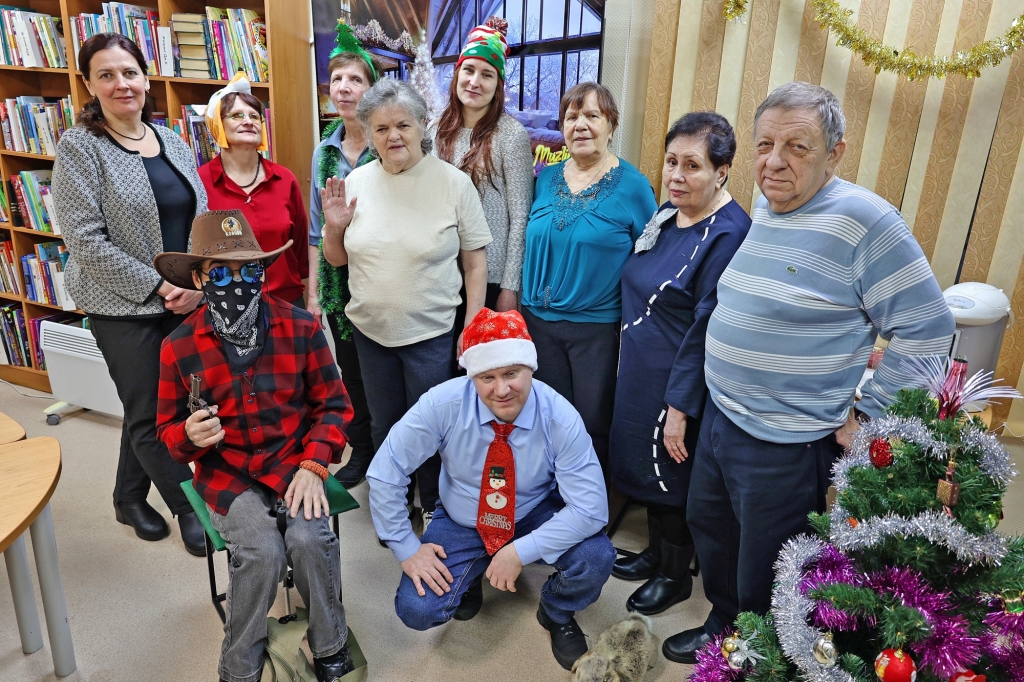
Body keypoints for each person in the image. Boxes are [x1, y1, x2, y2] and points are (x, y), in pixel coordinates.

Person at [664, 81, 956, 663]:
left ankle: (759, 657)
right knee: (713, 531)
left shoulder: (865, 221)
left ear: (834, 153)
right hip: (723, 419)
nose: (774, 161)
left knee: (766, 564)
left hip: (786, 441)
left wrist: (869, 416)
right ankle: (724, 628)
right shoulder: (769, 208)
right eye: (764, 144)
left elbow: (929, 328)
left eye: (797, 147)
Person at [153, 210, 357, 682]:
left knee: (310, 540)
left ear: (264, 273)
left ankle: (330, 644)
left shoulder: (301, 327)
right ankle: (239, 665)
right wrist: (187, 435)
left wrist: (314, 464)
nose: (238, 283)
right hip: (228, 473)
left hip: (293, 462)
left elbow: (334, 406)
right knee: (262, 553)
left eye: (250, 271)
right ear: (199, 279)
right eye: (221, 274)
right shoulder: (178, 347)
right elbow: (165, 431)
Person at [367, 308, 615, 671]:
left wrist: (518, 552)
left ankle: (557, 611)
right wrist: (406, 546)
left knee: (597, 556)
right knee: (417, 609)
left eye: (512, 373)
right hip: (463, 517)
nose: (502, 390)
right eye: (487, 377)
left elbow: (591, 509)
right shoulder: (442, 403)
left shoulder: (560, 418)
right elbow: (386, 471)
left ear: (530, 368)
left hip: (532, 511)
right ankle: (470, 577)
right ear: (472, 376)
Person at [51, 32, 207, 556]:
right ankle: (189, 509)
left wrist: (197, 283)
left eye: (129, 72)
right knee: (151, 413)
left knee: (155, 404)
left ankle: (127, 497)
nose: (121, 84)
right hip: (121, 304)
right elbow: (84, 240)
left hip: (185, 298)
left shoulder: (173, 141)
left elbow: (202, 219)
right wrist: (159, 285)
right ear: (90, 85)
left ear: (145, 77)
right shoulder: (80, 147)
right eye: (107, 75)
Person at [320, 79, 491, 529]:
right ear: (369, 133)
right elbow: (336, 259)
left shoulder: (453, 184)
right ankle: (393, 505)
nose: (393, 136)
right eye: (381, 128)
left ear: (421, 125)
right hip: (370, 332)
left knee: (431, 426)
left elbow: (475, 263)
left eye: (403, 125)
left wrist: (473, 323)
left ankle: (432, 503)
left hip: (430, 334)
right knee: (384, 424)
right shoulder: (356, 182)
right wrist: (334, 227)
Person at [609, 113, 750, 616]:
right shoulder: (669, 213)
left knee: (672, 473)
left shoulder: (729, 234)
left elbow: (707, 329)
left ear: (722, 171)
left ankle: (674, 576)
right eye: (671, 162)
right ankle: (655, 553)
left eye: (692, 165)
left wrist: (680, 407)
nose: (676, 175)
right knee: (646, 468)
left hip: (680, 379)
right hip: (641, 368)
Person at [520, 82, 659, 470]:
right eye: (571, 117)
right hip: (537, 323)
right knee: (544, 417)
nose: (580, 125)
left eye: (592, 116)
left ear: (611, 125)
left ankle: (588, 498)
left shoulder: (633, 186)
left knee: (590, 424)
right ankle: (549, 491)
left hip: (595, 330)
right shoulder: (545, 179)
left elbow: (650, 258)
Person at [307, 23, 383, 488]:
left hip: (384, 279)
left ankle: (399, 456)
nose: (344, 88)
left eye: (355, 79)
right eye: (337, 79)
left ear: (372, 89)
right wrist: (314, 295)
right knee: (351, 373)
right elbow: (316, 231)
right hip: (340, 283)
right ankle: (363, 450)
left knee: (385, 374)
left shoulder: (389, 142)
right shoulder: (325, 152)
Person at [432, 16, 534, 313]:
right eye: (469, 70)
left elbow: (520, 218)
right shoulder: (434, 130)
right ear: (457, 74)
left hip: (491, 277)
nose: (475, 82)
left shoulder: (511, 135)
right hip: (440, 273)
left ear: (498, 85)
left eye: (487, 74)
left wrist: (510, 287)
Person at [198, 74, 309, 307]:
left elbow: (300, 249)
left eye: (254, 116)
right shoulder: (199, 182)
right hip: (227, 306)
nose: (248, 121)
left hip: (286, 304)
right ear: (217, 125)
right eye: (237, 115)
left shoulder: (285, 179)